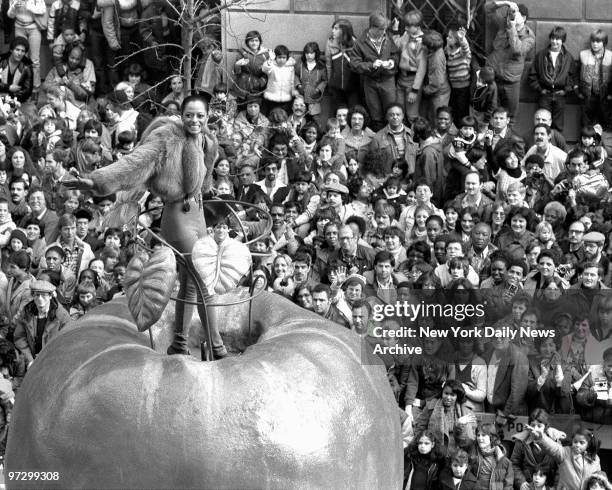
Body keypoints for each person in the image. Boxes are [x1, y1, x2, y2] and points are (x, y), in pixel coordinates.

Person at [63, 94, 227, 359]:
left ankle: (180, 344)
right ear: (181, 115)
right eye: (189, 115)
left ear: (207, 116)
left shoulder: (206, 139)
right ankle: (218, 347)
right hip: (178, 218)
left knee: (191, 284)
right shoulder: (167, 139)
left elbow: (205, 180)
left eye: (200, 116)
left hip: (198, 216)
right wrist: (97, 182)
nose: (194, 120)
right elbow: (134, 163)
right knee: (203, 280)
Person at [485, 1, 535, 122]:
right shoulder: (503, 24)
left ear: (523, 18)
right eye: (509, 14)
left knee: (510, 115)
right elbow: (487, 10)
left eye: (514, 14)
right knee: (491, 112)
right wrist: (505, 3)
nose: (509, 17)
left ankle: (506, 139)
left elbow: (517, 49)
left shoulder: (529, 36)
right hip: (493, 77)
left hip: (510, 81)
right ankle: (491, 137)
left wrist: (512, 28)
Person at [350, 11, 399, 131]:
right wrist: (371, 65)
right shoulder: (360, 42)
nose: (384, 32)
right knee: (375, 114)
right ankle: (379, 140)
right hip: (370, 81)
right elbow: (354, 64)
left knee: (392, 112)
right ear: (372, 27)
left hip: (388, 79)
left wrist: (392, 62)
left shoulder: (387, 38)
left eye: (385, 29)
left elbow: (395, 54)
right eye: (381, 29)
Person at [527, 26, 574, 132]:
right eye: (553, 38)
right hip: (545, 93)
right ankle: (542, 146)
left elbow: (572, 76)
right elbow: (532, 75)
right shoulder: (541, 55)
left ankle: (556, 146)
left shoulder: (568, 57)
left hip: (560, 94)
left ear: (563, 41)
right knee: (542, 123)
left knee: (558, 125)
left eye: (558, 39)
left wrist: (566, 90)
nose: (555, 41)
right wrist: (540, 89)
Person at [13, 279, 70, 367]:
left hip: (52, 362)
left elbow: (66, 342)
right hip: (30, 360)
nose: (40, 299)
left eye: (44, 295)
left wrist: (48, 359)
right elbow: (19, 337)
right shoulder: (26, 312)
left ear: (51, 296)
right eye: (37, 295)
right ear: (32, 295)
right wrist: (30, 360)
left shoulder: (62, 315)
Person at [0, 37, 33, 103]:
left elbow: (27, 91)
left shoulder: (27, 67)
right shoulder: (1, 61)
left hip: (17, 101)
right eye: (17, 50)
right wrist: (8, 87)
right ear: (11, 50)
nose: (19, 53)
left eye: (22, 51)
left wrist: (10, 98)